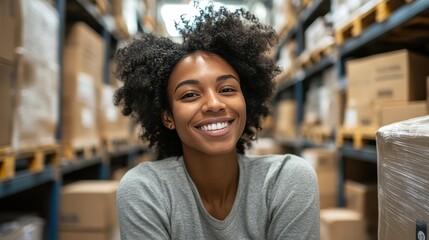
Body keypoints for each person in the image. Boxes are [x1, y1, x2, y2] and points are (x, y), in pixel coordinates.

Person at [114, 4, 319, 240]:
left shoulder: (287, 180)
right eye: (190, 94)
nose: (214, 103)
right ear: (168, 117)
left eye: (227, 89)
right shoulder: (146, 190)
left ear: (246, 99)